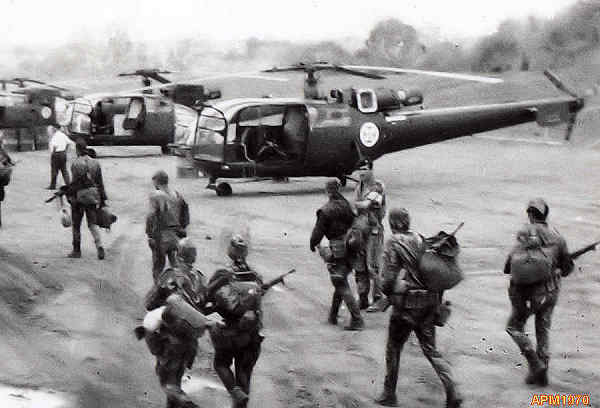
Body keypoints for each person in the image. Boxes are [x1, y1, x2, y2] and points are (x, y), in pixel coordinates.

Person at [376, 208, 462, 408]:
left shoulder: (394, 242)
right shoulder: (420, 238)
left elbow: (388, 279)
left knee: (394, 347)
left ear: (393, 223)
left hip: (406, 306)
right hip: (429, 303)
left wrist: (387, 289)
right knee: (431, 350)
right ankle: (452, 390)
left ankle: (389, 394)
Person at [504, 198, 573, 386]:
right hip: (550, 293)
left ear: (530, 214)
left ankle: (534, 362)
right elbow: (567, 269)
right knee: (543, 330)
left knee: (514, 327)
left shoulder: (524, 233)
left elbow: (509, 265)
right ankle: (542, 373)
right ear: (545, 215)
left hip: (527, 294)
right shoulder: (558, 238)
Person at [142, 238, 212, 408]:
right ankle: (178, 401)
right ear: (194, 257)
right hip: (191, 340)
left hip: (169, 339)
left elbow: (149, 303)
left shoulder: (169, 275)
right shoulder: (200, 278)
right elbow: (204, 307)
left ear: (178, 254)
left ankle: (184, 402)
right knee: (176, 380)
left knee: (166, 381)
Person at [208, 235, 264, 408]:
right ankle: (241, 402)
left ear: (230, 251)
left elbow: (208, 295)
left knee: (220, 363)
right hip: (250, 332)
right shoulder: (255, 275)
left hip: (227, 332)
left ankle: (235, 392)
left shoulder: (222, 273)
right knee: (244, 372)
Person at [310, 179, 364, 330]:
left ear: (327, 191)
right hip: (351, 246)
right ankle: (333, 315)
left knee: (339, 282)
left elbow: (318, 232)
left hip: (337, 248)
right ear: (339, 189)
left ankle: (357, 319)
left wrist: (313, 244)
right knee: (340, 279)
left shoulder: (325, 210)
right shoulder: (346, 204)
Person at [146, 170, 190, 281]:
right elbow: (185, 215)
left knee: (158, 268)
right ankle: (180, 286)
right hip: (177, 235)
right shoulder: (178, 195)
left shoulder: (155, 195)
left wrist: (149, 234)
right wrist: (181, 229)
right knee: (177, 265)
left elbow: (151, 216)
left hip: (161, 236)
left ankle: (158, 288)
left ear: (156, 182)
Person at [354, 169, 387, 312]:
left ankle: (378, 298)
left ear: (370, 171)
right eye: (359, 170)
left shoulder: (378, 186)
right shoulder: (359, 186)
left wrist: (356, 204)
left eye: (364, 170)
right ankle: (363, 298)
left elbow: (365, 205)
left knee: (373, 266)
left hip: (374, 232)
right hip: (360, 230)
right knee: (360, 266)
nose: (360, 173)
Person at [68, 138, 107, 259]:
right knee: (92, 223)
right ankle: (99, 245)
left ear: (77, 150)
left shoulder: (75, 164)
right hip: (93, 196)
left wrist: (70, 196)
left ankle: (76, 251)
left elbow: (74, 183)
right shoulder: (95, 163)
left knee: (76, 224)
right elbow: (100, 183)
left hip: (80, 196)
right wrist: (103, 199)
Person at [47, 126, 74, 190]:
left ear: (54, 129)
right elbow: (69, 142)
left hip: (56, 153)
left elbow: (54, 146)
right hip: (63, 153)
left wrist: (53, 154)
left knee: (54, 170)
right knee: (64, 170)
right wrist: (65, 150)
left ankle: (53, 185)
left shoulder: (54, 136)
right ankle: (68, 184)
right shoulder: (63, 135)